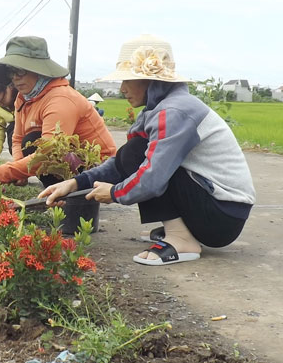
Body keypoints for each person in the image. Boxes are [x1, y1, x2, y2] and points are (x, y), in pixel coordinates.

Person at [39, 34, 256, 265]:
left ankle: (181, 239)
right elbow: (122, 163)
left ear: (151, 80)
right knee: (134, 152)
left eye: (128, 80)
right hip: (215, 209)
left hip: (222, 215)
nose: (122, 88)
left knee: (142, 157)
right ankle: (182, 230)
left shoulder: (174, 112)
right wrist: (75, 183)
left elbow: (152, 177)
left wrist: (115, 193)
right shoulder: (160, 109)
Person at [0, 36, 116, 186]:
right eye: (11, 73)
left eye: (20, 71)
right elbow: (18, 138)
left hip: (99, 171)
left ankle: (71, 194)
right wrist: (19, 170)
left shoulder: (60, 99)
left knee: (35, 142)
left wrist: (1, 174)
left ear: (37, 70)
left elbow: (49, 154)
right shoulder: (23, 97)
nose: (15, 78)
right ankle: (57, 190)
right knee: (29, 141)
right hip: (68, 161)